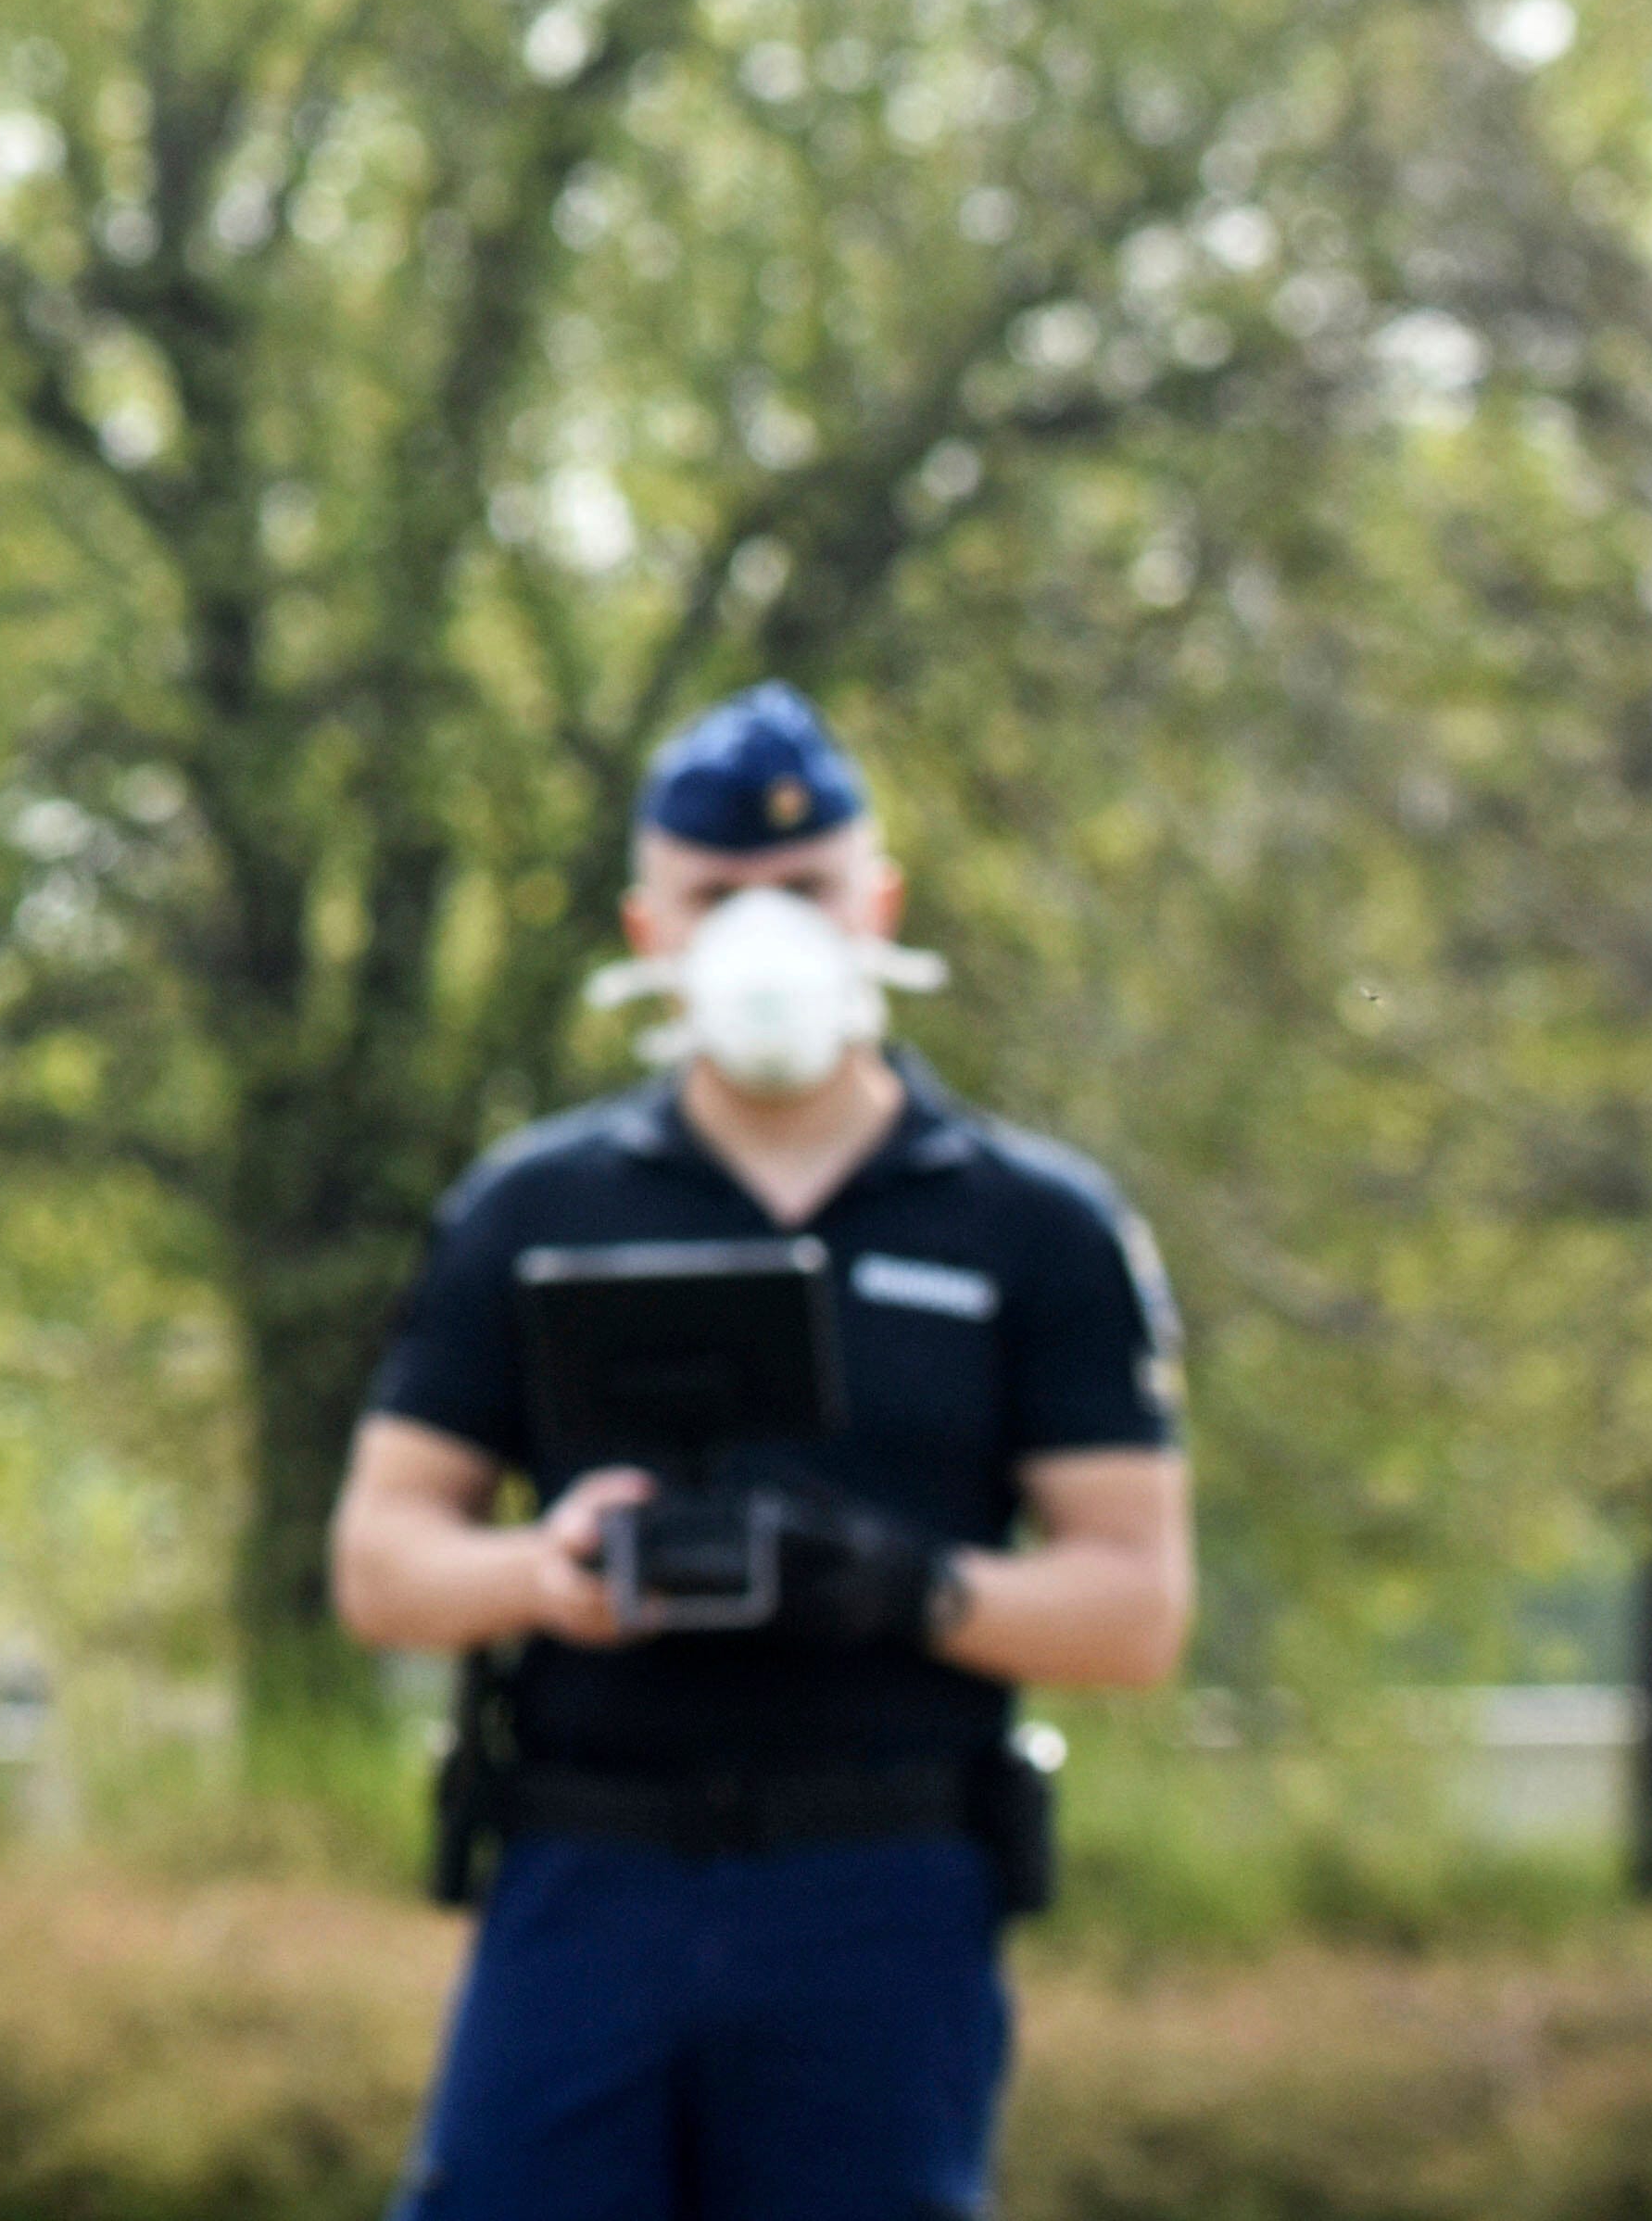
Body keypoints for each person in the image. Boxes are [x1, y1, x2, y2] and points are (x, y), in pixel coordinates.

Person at [329, 686, 1192, 2221]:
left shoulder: (1031, 1227)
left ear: (881, 904)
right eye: (718, 899)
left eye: (802, 893)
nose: (763, 934)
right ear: (646, 927)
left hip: (879, 1883)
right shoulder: (537, 1210)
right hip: (588, 1873)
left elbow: (1136, 1607)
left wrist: (908, 1589)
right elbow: (383, 1559)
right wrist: (547, 1570)